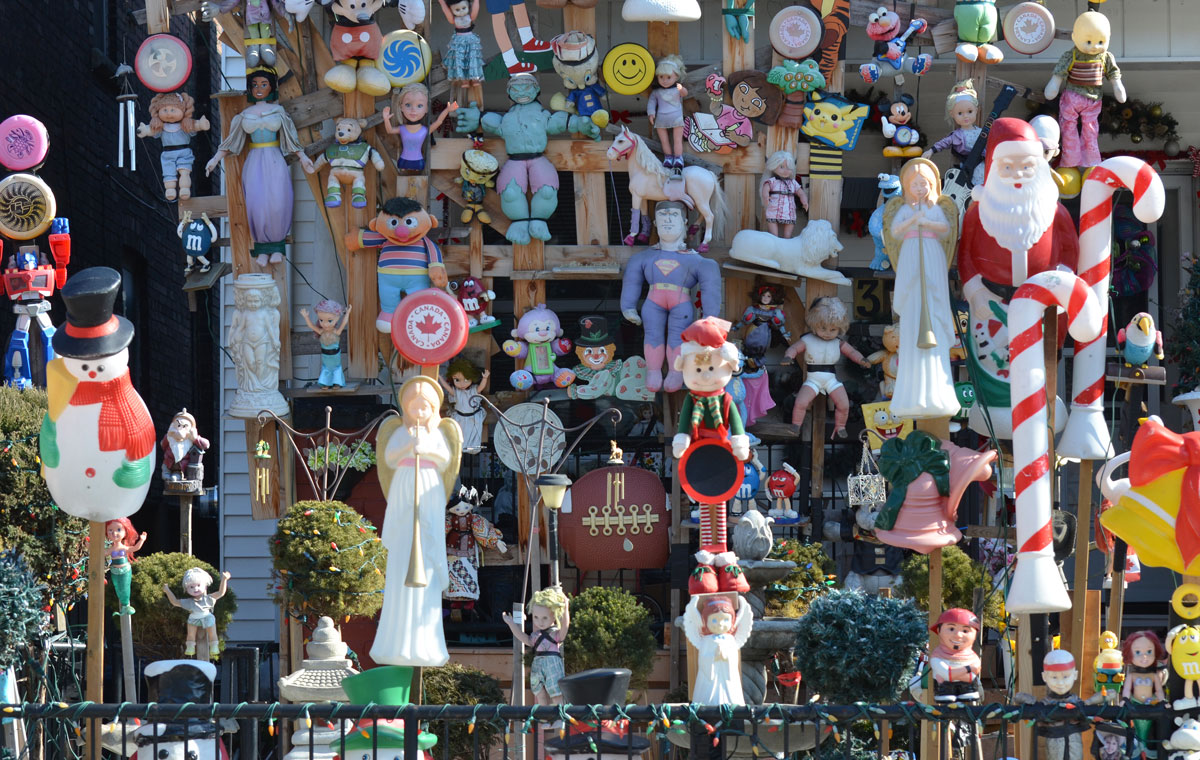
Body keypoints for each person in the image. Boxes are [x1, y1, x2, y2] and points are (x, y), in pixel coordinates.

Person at [371, 376, 462, 668]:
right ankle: (395, 641)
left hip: (429, 487)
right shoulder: (400, 431)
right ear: (406, 407)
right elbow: (389, 456)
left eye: (425, 407)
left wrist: (427, 448)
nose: (420, 412)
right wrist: (409, 446)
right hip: (404, 486)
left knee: (427, 544)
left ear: (433, 408)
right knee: (402, 552)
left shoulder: (438, 432)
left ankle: (427, 641)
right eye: (414, 406)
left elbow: (445, 458)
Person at [205, 68, 315, 268]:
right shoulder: (244, 115)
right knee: (256, 203)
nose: (259, 88)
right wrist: (214, 159)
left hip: (274, 159)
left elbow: (291, 138)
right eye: (255, 85)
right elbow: (230, 142)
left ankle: (277, 247)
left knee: (278, 201)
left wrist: (303, 157)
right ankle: (262, 248)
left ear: (271, 88)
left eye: (264, 84)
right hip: (254, 160)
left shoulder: (278, 112)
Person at [883, 158, 960, 419]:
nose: (919, 188)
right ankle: (910, 393)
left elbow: (945, 228)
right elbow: (895, 231)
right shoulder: (905, 209)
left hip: (931, 255)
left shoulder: (935, 208)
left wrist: (925, 222)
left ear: (931, 185)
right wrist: (912, 220)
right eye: (915, 184)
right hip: (911, 257)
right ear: (907, 186)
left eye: (924, 184)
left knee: (934, 307)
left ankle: (939, 389)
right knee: (913, 313)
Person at [502, 587, 569, 705]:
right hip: (538, 663)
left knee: (556, 694)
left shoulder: (556, 634)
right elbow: (522, 637)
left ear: (554, 616)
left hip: (552, 663)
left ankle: (559, 715)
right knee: (539, 694)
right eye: (536, 617)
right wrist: (511, 623)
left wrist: (566, 608)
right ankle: (543, 716)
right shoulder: (535, 636)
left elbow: (565, 626)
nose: (540, 622)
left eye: (545, 618)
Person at [163, 567, 231, 658]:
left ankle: (214, 646)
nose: (195, 589)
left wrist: (224, 579)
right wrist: (167, 590)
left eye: (198, 585)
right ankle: (190, 647)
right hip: (193, 619)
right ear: (187, 589)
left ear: (205, 586)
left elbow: (221, 593)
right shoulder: (189, 602)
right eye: (191, 587)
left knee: (212, 633)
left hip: (207, 617)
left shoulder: (209, 598)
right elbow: (175, 602)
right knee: (191, 634)